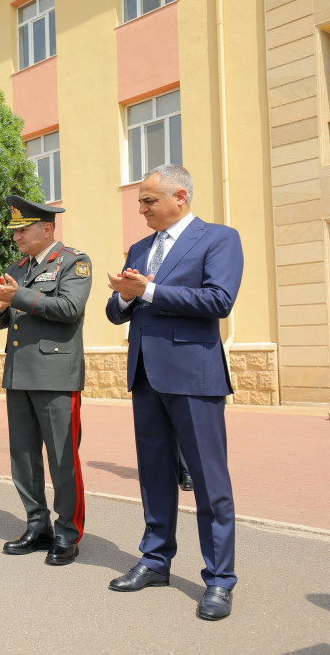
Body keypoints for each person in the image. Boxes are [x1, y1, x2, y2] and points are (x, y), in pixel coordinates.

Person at [106, 164, 242, 621]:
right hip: (146, 375)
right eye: (140, 200)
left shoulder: (219, 238)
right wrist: (126, 295)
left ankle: (219, 580)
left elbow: (218, 300)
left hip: (194, 375)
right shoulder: (141, 247)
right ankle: (155, 560)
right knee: (154, 475)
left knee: (209, 481)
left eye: (148, 200)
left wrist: (150, 290)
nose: (140, 207)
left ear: (179, 196)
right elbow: (117, 309)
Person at [0, 196, 91, 566]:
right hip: (19, 374)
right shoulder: (18, 268)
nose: (17, 237)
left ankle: (68, 533)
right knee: (24, 458)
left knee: (62, 458)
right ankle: (37, 524)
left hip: (55, 375)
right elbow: (7, 320)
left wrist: (18, 297)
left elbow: (69, 309)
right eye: (15, 231)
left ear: (47, 229)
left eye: (23, 230)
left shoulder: (73, 262)